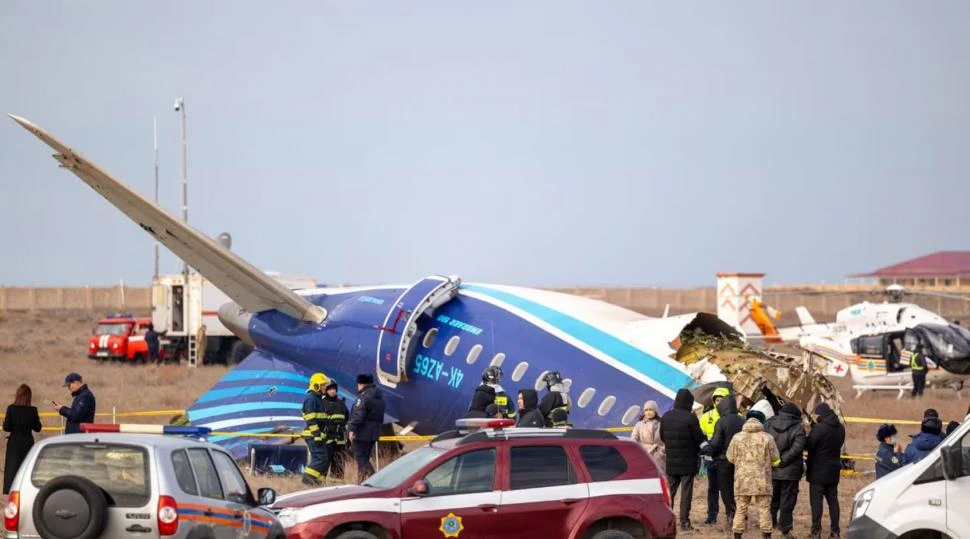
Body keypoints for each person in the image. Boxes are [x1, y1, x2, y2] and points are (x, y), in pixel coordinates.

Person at [660, 388, 706, 531]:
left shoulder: (666, 416)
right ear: (689, 402)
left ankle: (666, 522)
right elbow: (698, 438)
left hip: (672, 462)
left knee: (670, 493)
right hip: (688, 462)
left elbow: (662, 437)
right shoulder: (690, 418)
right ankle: (684, 522)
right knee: (686, 493)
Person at [727, 414, 780, 539]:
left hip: (742, 480)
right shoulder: (767, 438)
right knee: (764, 509)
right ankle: (766, 535)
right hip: (762, 480)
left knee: (740, 509)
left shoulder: (737, 437)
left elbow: (730, 457)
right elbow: (776, 457)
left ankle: (737, 535)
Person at [705, 390, 746, 527]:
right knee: (739, 489)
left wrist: (706, 450)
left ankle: (731, 514)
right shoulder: (742, 420)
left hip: (724, 461)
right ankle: (741, 515)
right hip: (741, 461)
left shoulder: (721, 421)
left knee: (726, 489)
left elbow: (716, 443)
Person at [767, 403, 806, 538]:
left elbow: (765, 443)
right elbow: (797, 448)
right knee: (787, 501)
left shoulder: (769, 424)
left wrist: (775, 460)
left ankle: (768, 525)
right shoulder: (798, 428)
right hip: (790, 472)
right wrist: (782, 460)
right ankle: (785, 529)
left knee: (772, 499)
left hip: (772, 469)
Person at [806, 402, 845, 539]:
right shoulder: (840, 427)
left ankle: (816, 532)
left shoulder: (819, 428)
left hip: (818, 471)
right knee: (833, 501)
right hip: (834, 470)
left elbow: (810, 446)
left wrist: (809, 434)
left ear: (820, 413)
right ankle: (835, 531)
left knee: (816, 503)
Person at [700, 387, 731, 525]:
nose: (719, 403)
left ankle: (731, 514)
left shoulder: (734, 417)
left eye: (722, 400)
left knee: (728, 489)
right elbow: (702, 437)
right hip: (711, 459)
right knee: (712, 489)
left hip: (726, 459)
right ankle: (712, 516)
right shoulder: (706, 417)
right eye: (717, 400)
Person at [3, 384, 42, 494]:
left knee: (11, 468)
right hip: (27, 442)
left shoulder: (11, 409)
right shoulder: (33, 410)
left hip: (14, 442)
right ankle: (24, 490)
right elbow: (38, 428)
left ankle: (9, 491)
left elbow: (6, 427)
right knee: (25, 468)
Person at [347, 373, 385, 483]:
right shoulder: (379, 397)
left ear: (361, 384)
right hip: (374, 433)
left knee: (362, 460)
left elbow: (358, 416)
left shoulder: (364, 397)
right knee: (364, 459)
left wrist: (351, 429)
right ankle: (361, 483)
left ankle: (376, 481)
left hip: (362, 433)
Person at [301, 373, 329, 486]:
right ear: (316, 385)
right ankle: (307, 478)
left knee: (322, 458)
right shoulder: (311, 398)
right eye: (323, 385)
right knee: (321, 459)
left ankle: (316, 481)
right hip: (313, 435)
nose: (325, 388)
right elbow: (310, 419)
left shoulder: (317, 398)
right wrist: (317, 434)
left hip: (317, 435)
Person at [321, 380, 350, 480]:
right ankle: (320, 485)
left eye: (334, 389)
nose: (333, 391)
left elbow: (347, 417)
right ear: (326, 391)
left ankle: (337, 485)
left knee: (339, 464)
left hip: (340, 440)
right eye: (330, 389)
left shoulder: (341, 403)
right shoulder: (322, 403)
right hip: (327, 439)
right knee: (324, 463)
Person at [631, 400, 665, 472]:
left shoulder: (661, 424)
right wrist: (639, 450)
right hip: (644, 454)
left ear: (655, 411)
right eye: (646, 410)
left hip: (659, 456)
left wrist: (662, 451)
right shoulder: (639, 425)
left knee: (660, 478)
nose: (648, 412)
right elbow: (633, 439)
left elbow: (667, 439)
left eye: (651, 410)